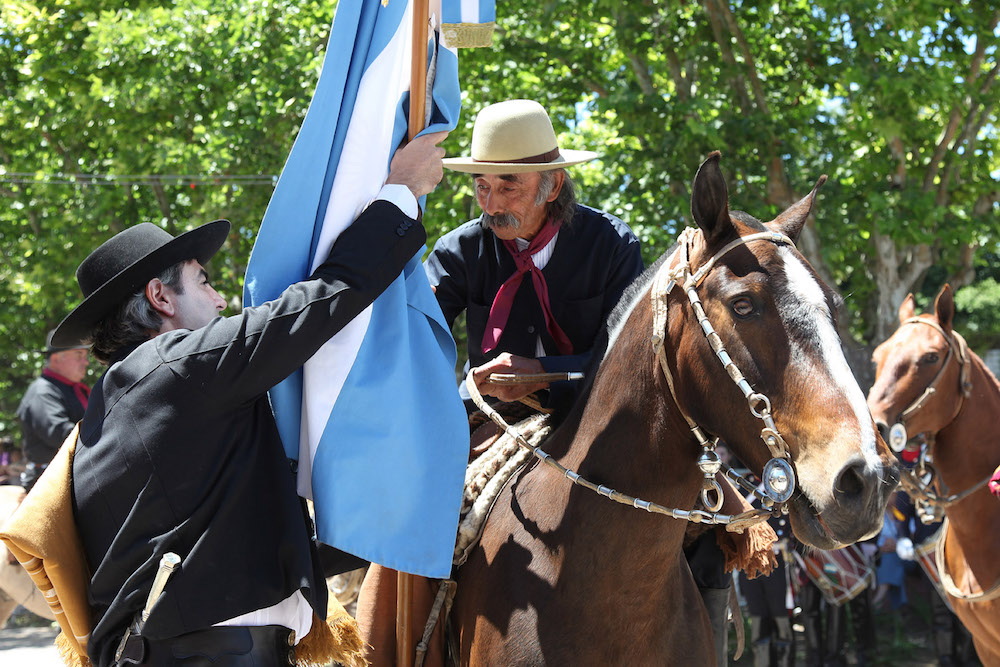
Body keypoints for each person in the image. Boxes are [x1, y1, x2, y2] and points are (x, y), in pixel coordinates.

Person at [46, 131, 447, 666]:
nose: (220, 298)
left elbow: (240, 539)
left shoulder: (120, 401)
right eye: (203, 281)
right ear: (159, 296)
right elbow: (324, 299)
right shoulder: (176, 368)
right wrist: (400, 192)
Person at [16, 331, 90, 491]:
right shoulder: (42, 392)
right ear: (57, 359)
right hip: (48, 482)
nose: (86, 362)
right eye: (79, 355)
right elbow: (60, 434)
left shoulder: (74, 390)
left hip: (70, 477)